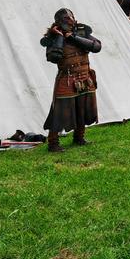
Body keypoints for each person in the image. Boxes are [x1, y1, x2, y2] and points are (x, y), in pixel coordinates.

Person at [41, 8, 101, 153]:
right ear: (59, 21)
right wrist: (60, 37)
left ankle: (79, 137)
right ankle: (53, 143)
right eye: (66, 18)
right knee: (59, 112)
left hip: (85, 77)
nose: (71, 20)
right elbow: (54, 57)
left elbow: (96, 46)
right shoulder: (53, 37)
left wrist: (73, 37)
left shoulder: (82, 32)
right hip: (67, 78)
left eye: (71, 17)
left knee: (83, 108)